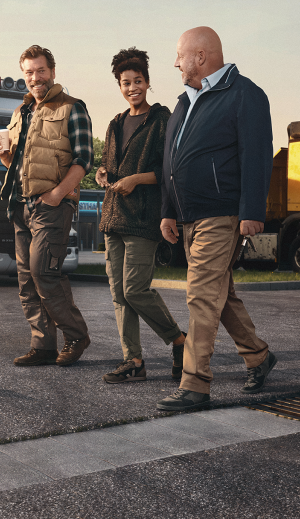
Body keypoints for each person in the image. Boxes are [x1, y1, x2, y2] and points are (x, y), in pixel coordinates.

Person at [156, 26, 277, 411]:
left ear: (201, 56)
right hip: (188, 215)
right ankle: (259, 357)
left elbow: (256, 155)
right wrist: (168, 211)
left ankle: (195, 384)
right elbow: (170, 163)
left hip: (220, 214)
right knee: (220, 297)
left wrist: (252, 212)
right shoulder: (184, 102)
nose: (175, 62)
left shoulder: (245, 95)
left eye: (180, 55)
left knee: (201, 295)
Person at [0, 45, 94, 367]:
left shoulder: (72, 108)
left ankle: (76, 335)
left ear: (52, 71)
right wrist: (5, 157)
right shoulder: (20, 113)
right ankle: (44, 346)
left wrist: (57, 194)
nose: (35, 78)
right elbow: (19, 165)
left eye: (40, 71)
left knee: (44, 273)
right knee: (26, 280)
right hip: (20, 205)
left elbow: (84, 159)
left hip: (52, 206)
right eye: (29, 73)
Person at [94, 47, 187, 385]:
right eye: (125, 82)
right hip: (112, 218)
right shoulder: (115, 123)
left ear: (148, 82)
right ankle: (132, 360)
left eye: (137, 81)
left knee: (135, 289)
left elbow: (167, 170)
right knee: (119, 294)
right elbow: (107, 164)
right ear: (119, 86)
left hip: (143, 219)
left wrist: (136, 179)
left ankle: (179, 341)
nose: (131, 88)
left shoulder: (160, 120)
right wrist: (104, 174)